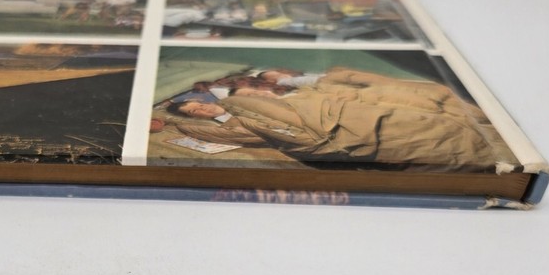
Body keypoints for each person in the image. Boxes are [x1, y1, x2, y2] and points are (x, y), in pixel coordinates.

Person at [166, 68, 513, 169]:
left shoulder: (307, 91)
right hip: (376, 130)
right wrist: (181, 122)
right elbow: (235, 132)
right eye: (195, 111)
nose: (200, 110)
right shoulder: (242, 121)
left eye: (197, 106)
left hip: (402, 113)